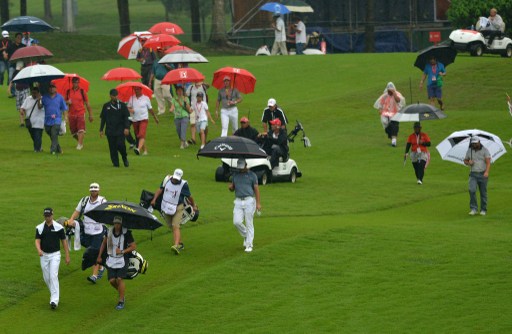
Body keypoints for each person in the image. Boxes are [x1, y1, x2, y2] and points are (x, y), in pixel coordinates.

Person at [64, 182, 107, 283]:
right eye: (92, 190)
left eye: (95, 190)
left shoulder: (102, 201)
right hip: (86, 230)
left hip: (98, 231)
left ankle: (94, 276)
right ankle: (101, 267)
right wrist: (71, 219)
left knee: (94, 252)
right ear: (89, 190)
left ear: (99, 190)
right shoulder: (84, 200)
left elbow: (107, 213)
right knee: (90, 248)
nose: (93, 191)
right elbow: (77, 211)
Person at [151, 168, 198, 255]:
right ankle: (180, 244)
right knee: (171, 226)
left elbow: (189, 197)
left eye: (177, 179)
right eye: (175, 178)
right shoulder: (167, 179)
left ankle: (176, 246)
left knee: (175, 225)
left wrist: (193, 205)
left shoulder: (184, 185)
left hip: (178, 207)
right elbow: (160, 189)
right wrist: (154, 199)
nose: (175, 180)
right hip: (166, 206)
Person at [96, 216, 137, 310]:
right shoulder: (109, 231)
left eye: (118, 223)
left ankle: (121, 300)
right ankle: (121, 294)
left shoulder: (127, 233)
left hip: (123, 258)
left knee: (119, 279)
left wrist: (122, 251)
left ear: (121, 224)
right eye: (115, 223)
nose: (116, 225)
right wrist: (99, 256)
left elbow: (133, 246)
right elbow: (104, 243)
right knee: (111, 281)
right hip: (111, 258)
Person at [35, 207, 70, 310]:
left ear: (52, 215)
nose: (47, 218)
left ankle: (54, 300)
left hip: (55, 255)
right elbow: (37, 241)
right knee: (46, 277)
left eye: (49, 216)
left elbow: (64, 242)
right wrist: (39, 250)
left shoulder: (59, 227)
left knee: (53, 275)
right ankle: (55, 294)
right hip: (44, 255)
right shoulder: (40, 228)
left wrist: (67, 255)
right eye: (46, 216)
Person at [228, 158, 261, 253]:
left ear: (246, 165)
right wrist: (230, 188)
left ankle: (249, 244)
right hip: (238, 201)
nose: (240, 169)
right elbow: (233, 188)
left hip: (249, 201)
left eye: (242, 167)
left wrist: (258, 203)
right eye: (239, 167)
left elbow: (256, 190)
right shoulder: (235, 175)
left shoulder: (252, 175)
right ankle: (247, 235)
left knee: (249, 222)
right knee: (236, 222)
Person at [99, 89, 130, 167]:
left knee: (120, 145)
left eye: (116, 95)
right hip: (110, 130)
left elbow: (126, 117)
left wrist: (127, 127)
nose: (115, 97)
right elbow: (103, 118)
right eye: (113, 96)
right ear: (110, 96)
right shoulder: (106, 106)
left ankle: (124, 157)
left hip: (120, 130)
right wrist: (101, 129)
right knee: (112, 148)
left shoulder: (122, 105)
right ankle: (115, 163)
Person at [127, 86, 159, 156]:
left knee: (141, 134)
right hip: (135, 119)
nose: (136, 91)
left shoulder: (146, 98)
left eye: (138, 89)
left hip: (143, 119)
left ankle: (138, 149)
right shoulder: (132, 98)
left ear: (141, 90)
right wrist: (130, 109)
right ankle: (145, 151)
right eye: (135, 89)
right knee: (139, 136)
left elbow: (150, 109)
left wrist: (155, 117)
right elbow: (128, 107)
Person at [464, 137, 491, 216]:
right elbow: (465, 160)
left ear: (479, 142)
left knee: (483, 193)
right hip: (473, 174)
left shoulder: (485, 150)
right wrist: (469, 162)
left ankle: (483, 209)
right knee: (471, 190)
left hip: (483, 174)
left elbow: (488, 162)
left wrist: (486, 172)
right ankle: (474, 209)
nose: (474, 144)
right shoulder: (470, 150)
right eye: (473, 143)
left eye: (476, 143)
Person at [38, 82, 68, 155]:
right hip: (47, 120)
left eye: (53, 87)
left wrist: (66, 117)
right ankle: (59, 148)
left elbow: (64, 108)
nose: (52, 89)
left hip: (57, 119)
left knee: (54, 133)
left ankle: (53, 150)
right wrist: (39, 99)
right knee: (50, 133)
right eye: (50, 87)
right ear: (48, 88)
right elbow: (39, 107)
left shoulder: (60, 97)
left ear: (56, 88)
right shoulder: (45, 97)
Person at [373, 82, 405, 147]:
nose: (389, 92)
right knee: (387, 127)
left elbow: (398, 100)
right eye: (388, 91)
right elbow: (380, 104)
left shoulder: (397, 94)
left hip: (395, 114)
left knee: (394, 126)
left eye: (390, 91)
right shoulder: (385, 95)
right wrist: (380, 110)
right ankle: (392, 138)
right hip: (386, 114)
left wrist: (394, 93)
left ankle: (394, 141)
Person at [66, 77, 93, 150]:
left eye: (77, 82)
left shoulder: (82, 91)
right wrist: (67, 102)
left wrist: (90, 115)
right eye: (74, 82)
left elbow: (87, 103)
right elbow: (64, 103)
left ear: (78, 83)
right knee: (73, 132)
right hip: (71, 114)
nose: (75, 84)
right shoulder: (68, 92)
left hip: (81, 112)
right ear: (72, 83)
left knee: (81, 129)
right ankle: (80, 141)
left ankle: (79, 145)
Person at [149, 47, 173, 115]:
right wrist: (150, 81)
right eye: (158, 52)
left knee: (167, 95)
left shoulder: (167, 60)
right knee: (158, 95)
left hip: (165, 79)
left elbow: (172, 69)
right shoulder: (155, 61)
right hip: (157, 79)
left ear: (163, 52)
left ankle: (172, 106)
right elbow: (153, 72)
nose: (158, 53)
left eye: (160, 52)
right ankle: (161, 110)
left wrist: (166, 65)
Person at [21, 86, 45, 152]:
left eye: (35, 93)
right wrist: (22, 111)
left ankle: (36, 149)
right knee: (33, 136)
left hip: (39, 122)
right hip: (30, 122)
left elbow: (40, 107)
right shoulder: (28, 99)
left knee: (37, 136)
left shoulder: (43, 99)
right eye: (33, 93)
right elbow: (23, 107)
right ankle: (39, 147)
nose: (34, 94)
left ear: (38, 93)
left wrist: (39, 99)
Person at [186, 81, 209, 145]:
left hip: (202, 109)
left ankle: (204, 140)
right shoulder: (191, 87)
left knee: (205, 126)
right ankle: (193, 139)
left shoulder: (203, 86)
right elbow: (186, 94)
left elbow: (209, 86)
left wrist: (203, 83)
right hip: (193, 108)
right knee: (193, 124)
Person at [11, 61, 30, 127]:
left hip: (25, 89)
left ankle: (28, 120)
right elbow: (12, 80)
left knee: (25, 105)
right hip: (18, 90)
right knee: (19, 106)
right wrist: (9, 87)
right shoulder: (16, 72)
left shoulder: (26, 71)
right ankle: (22, 122)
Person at [4, 32, 24, 97]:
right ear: (15, 38)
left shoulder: (23, 46)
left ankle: (21, 91)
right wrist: (5, 55)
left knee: (21, 78)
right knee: (10, 77)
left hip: (20, 65)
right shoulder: (11, 46)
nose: (19, 39)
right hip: (12, 64)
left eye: (21, 38)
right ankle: (13, 93)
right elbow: (5, 53)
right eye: (18, 38)